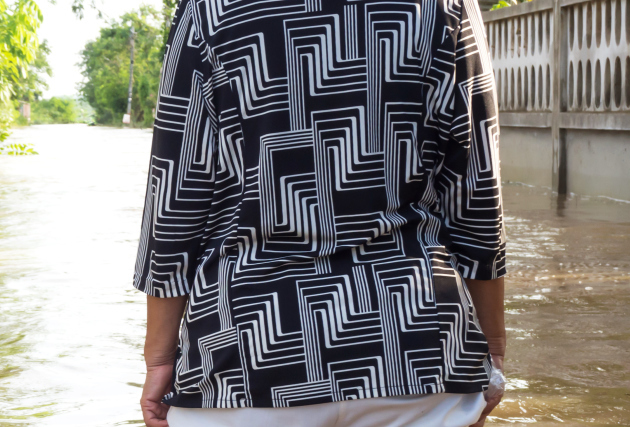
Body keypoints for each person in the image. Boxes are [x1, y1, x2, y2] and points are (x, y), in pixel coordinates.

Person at [132, 0, 508, 425]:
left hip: (246, 358)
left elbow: (175, 194)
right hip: (418, 348)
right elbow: (476, 188)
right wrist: (490, 342)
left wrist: (160, 357)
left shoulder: (208, 9)